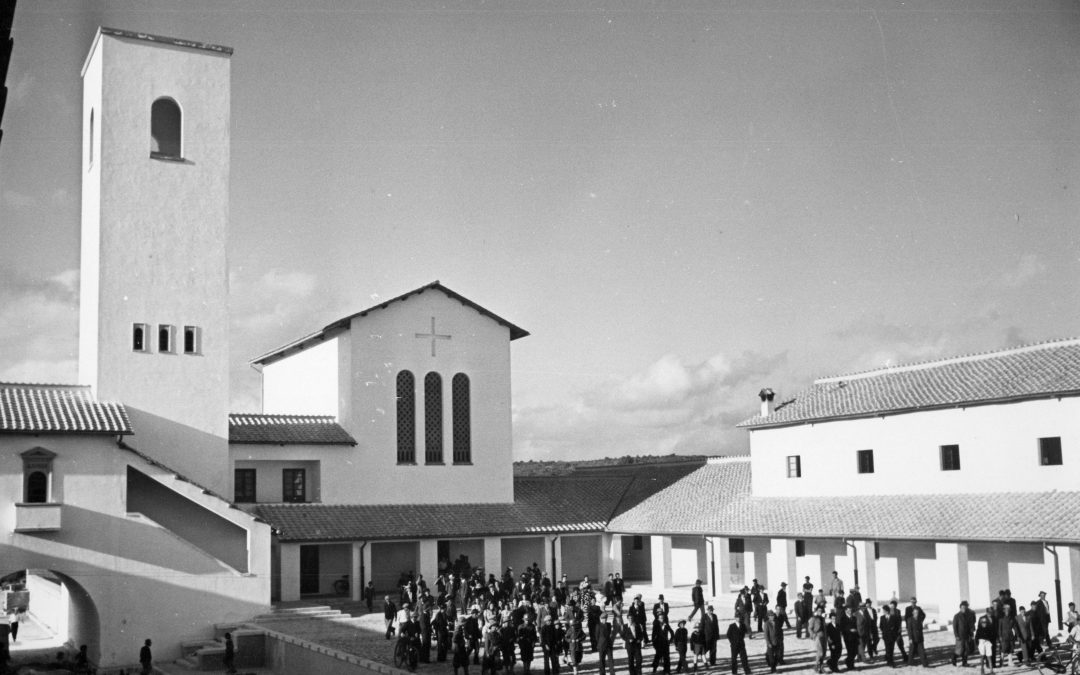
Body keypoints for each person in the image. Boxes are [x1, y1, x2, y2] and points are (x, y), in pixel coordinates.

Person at [905, 598, 928, 668]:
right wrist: (910, 638)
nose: (913, 603)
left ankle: (925, 664)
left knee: (921, 650)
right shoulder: (908, 609)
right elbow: (906, 618)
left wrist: (920, 621)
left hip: (919, 635)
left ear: (916, 602)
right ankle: (909, 663)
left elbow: (923, 615)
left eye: (914, 602)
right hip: (912, 631)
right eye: (912, 602)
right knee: (911, 651)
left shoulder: (918, 609)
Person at [952, 601, 974, 667]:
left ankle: (964, 663)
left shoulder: (968, 615)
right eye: (962, 607)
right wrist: (956, 635)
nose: (964, 609)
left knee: (966, 650)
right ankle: (954, 658)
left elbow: (970, 625)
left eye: (965, 607)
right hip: (960, 636)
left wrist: (971, 634)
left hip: (967, 635)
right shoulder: (957, 616)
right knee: (959, 650)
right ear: (960, 608)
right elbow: (954, 627)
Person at [809, 608, 827, 673]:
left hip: (824, 636)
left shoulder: (822, 619)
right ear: (816, 611)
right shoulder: (813, 619)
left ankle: (821, 667)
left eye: (821, 611)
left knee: (824, 652)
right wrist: (813, 635)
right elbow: (810, 628)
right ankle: (816, 666)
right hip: (818, 636)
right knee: (820, 652)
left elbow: (824, 628)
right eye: (819, 611)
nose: (820, 612)